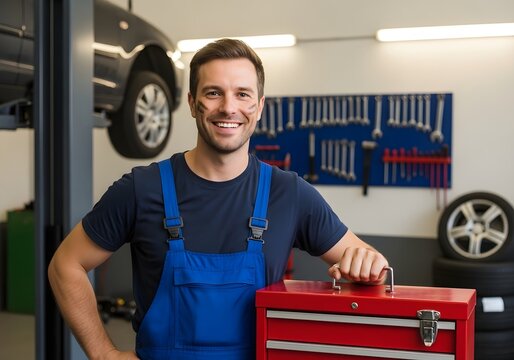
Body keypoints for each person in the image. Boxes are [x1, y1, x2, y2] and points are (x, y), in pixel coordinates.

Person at [48, 38, 389, 360]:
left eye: (243, 94)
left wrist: (369, 265)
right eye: (214, 93)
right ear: (193, 103)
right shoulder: (141, 189)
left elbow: (370, 262)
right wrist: (103, 353)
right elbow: (66, 265)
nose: (229, 107)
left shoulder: (289, 193)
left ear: (259, 107)